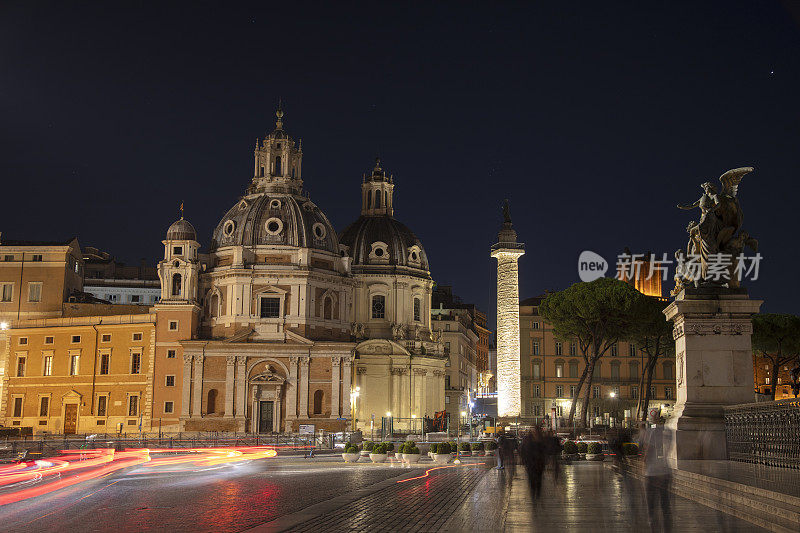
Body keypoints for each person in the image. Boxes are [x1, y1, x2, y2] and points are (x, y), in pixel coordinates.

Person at [639, 420, 672, 532]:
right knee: (665, 506)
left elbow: (648, 450)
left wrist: (643, 465)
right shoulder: (669, 431)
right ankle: (667, 529)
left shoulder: (652, 432)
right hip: (666, 472)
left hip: (652, 473)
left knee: (651, 507)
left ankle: (655, 529)